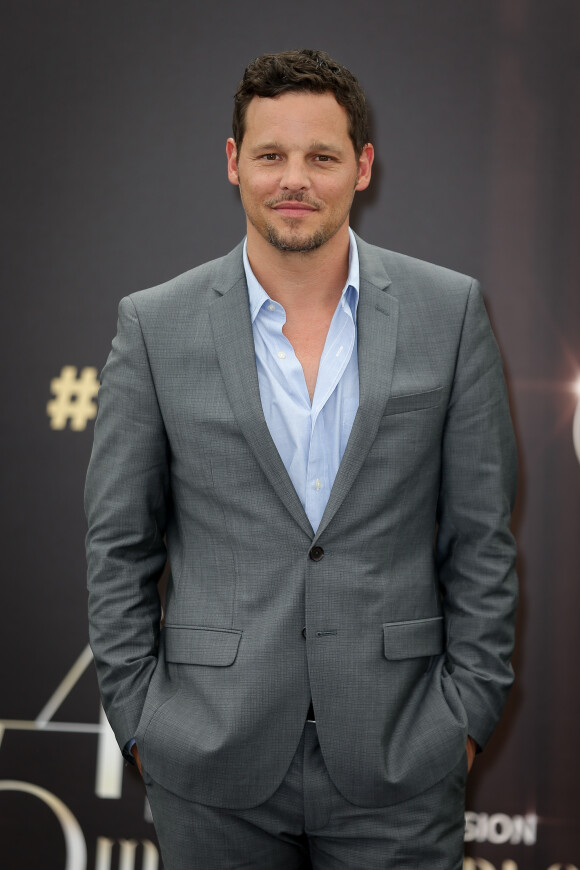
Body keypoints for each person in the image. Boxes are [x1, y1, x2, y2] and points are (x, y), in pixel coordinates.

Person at [85, 48, 518, 870]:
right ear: (232, 163)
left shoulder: (448, 311)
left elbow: (482, 538)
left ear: (361, 167)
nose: (294, 179)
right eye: (270, 155)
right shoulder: (154, 325)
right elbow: (119, 546)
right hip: (210, 761)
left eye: (320, 157)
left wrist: (464, 720)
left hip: (401, 758)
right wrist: (144, 724)